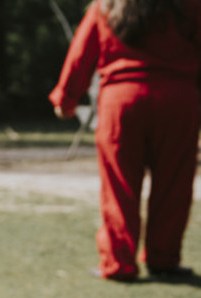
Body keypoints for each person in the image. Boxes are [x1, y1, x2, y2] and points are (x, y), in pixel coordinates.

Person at [50, 0, 201, 282]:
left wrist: (66, 98)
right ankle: (164, 259)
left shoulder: (106, 5)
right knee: (174, 185)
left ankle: (119, 262)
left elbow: (82, 51)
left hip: (122, 101)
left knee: (119, 186)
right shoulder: (190, 5)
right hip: (177, 101)